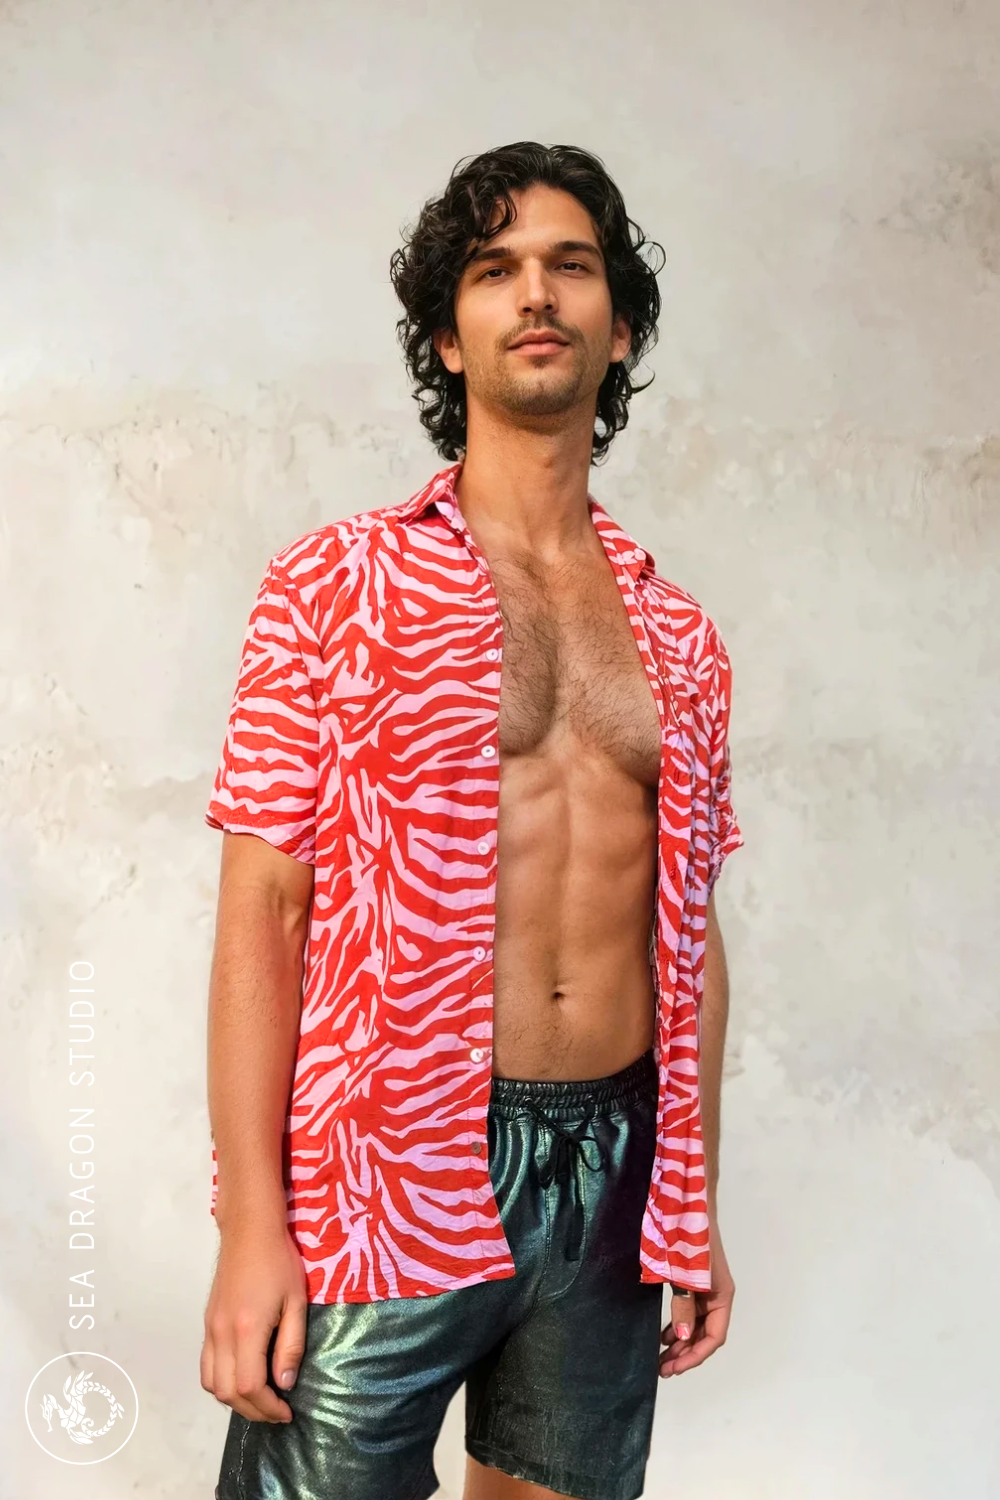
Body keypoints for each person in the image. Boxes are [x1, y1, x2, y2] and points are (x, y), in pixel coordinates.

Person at [201, 140, 744, 1500]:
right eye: (496, 272)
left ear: (622, 329)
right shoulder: (333, 585)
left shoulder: (681, 635)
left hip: (613, 1172)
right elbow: (264, 910)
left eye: (573, 266)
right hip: (385, 1161)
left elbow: (690, 933)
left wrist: (692, 1199)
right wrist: (251, 1225)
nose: (537, 294)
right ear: (448, 339)